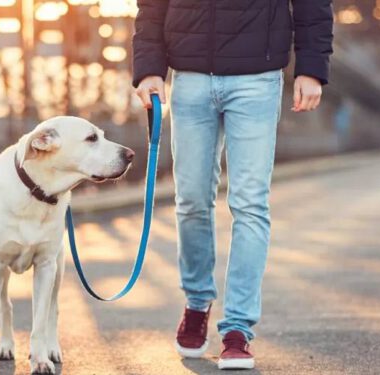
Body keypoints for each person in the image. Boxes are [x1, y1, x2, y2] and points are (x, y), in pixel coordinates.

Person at [132, 0, 333, 370]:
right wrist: (148, 69)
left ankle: (238, 329)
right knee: (191, 200)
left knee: (250, 204)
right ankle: (196, 303)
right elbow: (151, 6)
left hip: (257, 79)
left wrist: (312, 67)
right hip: (189, 77)